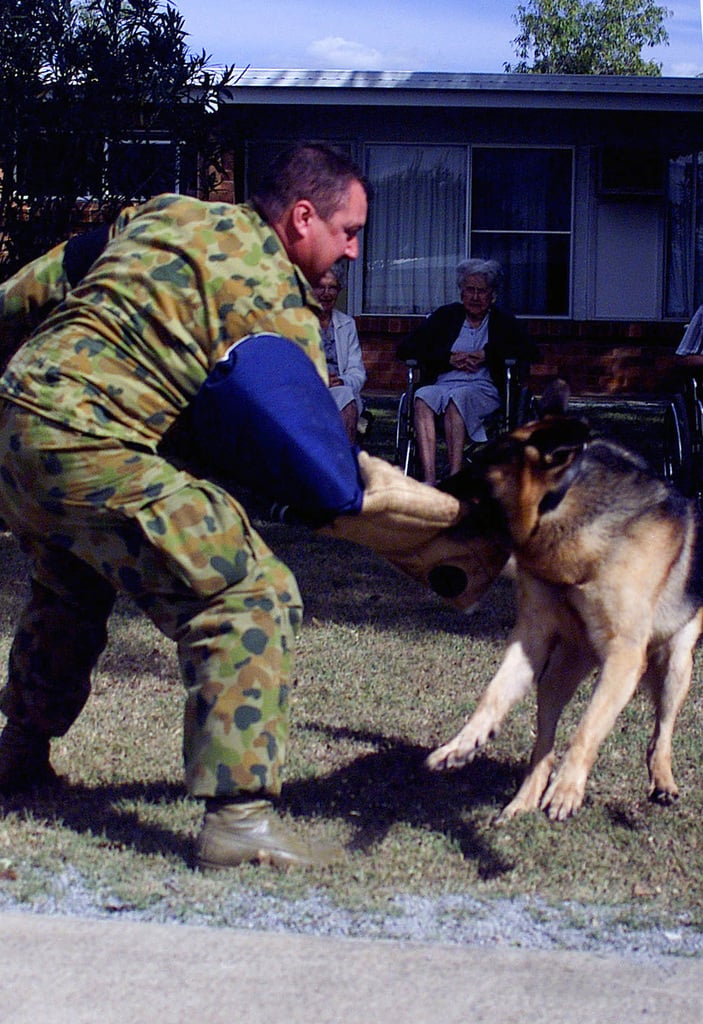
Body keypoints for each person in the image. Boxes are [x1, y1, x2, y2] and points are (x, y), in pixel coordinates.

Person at [0, 143, 490, 871]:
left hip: (15, 430)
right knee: (248, 592)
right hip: (93, 443)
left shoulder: (166, 213)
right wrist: (435, 527)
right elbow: (312, 464)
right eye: (349, 231)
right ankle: (239, 820)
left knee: (72, 581)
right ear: (301, 218)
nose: (354, 251)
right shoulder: (272, 299)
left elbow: (28, 291)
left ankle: (18, 756)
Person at [398, 258, 534, 485]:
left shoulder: (503, 321)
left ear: (493, 295)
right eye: (470, 290)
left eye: (482, 291)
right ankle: (429, 478)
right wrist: (448, 358)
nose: (475, 296)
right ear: (461, 293)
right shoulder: (445, 317)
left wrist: (486, 355)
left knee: (457, 399)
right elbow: (407, 348)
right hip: (444, 383)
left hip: (482, 387)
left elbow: (529, 350)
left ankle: (455, 476)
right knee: (422, 397)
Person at [313, 265, 366, 443]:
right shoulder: (298, 324)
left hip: (340, 391)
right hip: (308, 390)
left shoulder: (347, 324)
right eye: (321, 287)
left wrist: (342, 381)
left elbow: (357, 373)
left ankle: (345, 462)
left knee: (345, 395)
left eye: (332, 287)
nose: (326, 293)